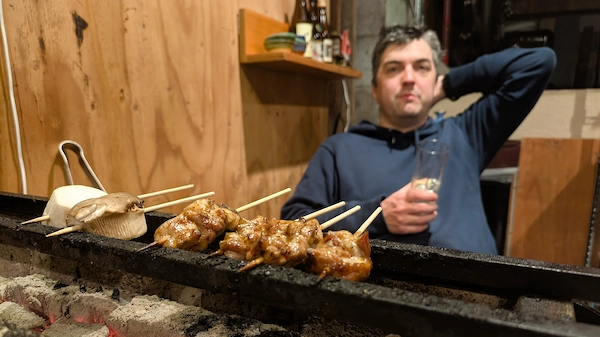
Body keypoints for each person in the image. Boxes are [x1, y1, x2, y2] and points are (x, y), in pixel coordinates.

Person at [280, 25, 556, 255]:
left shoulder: (466, 133)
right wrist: (375, 214)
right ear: (374, 89)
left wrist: (449, 84)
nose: (409, 78)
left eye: (422, 68)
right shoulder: (339, 149)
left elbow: (539, 62)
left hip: (479, 299)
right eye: (393, 69)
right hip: (377, 302)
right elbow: (292, 221)